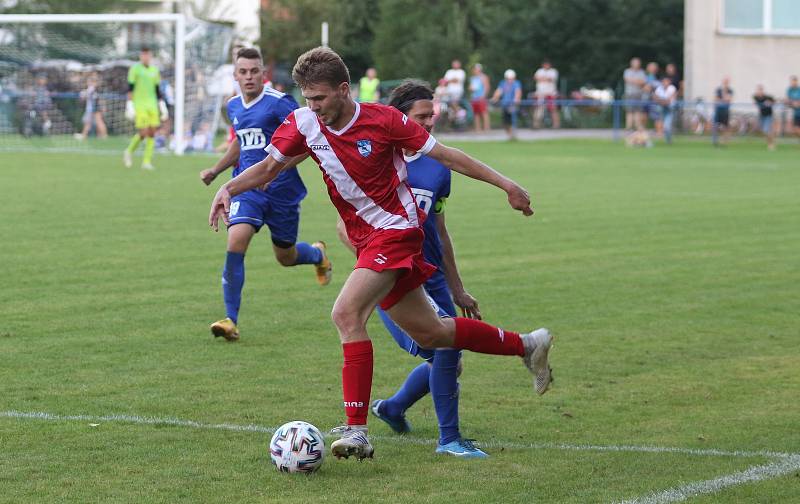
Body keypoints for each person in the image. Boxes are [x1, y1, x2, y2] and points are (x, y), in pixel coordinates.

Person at [208, 47, 554, 461]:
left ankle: (357, 430)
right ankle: (527, 345)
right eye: (306, 99)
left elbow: (448, 155)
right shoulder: (304, 122)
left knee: (346, 313)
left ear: (343, 89)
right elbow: (267, 167)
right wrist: (228, 187)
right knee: (433, 333)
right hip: (367, 238)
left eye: (319, 98)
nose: (312, 107)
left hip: (397, 231)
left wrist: (508, 185)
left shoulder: (385, 121)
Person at [334, 79, 487, 458]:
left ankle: (393, 407)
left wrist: (457, 288)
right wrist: (378, 265)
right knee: (446, 351)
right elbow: (343, 226)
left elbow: (440, 230)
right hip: (395, 275)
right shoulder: (377, 159)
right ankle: (449, 440)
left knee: (450, 358)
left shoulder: (437, 167)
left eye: (431, 116)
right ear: (398, 118)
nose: (429, 123)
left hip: (432, 278)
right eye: (421, 117)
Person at [199, 48, 332, 342]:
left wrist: (277, 171)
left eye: (254, 71)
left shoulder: (279, 104)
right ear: (235, 76)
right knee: (236, 240)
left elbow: (309, 140)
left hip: (283, 192)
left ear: (263, 74)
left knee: (286, 256)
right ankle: (230, 320)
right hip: (247, 188)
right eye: (243, 72)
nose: (248, 77)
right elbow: (240, 143)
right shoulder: (234, 106)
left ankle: (317, 254)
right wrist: (217, 170)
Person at [123, 48, 168, 170]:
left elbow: (157, 91)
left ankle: (146, 162)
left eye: (148, 55)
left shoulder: (155, 70)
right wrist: (129, 104)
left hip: (152, 104)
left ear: (150, 56)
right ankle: (128, 151)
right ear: (140, 56)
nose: (146, 57)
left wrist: (162, 106)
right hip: (139, 104)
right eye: (143, 55)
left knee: (152, 133)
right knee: (143, 133)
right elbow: (130, 88)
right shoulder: (135, 69)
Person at [491, 69, 522, 140]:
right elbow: (499, 91)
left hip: (512, 105)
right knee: (505, 122)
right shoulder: (503, 83)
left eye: (511, 78)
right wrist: (494, 98)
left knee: (512, 120)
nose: (510, 80)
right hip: (505, 105)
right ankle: (510, 135)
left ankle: (512, 135)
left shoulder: (516, 83)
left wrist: (516, 99)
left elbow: (518, 92)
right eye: (508, 78)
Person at [75, 74, 108, 141]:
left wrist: (83, 94)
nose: (88, 83)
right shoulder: (93, 89)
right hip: (93, 108)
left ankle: (85, 136)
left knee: (94, 122)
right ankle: (102, 135)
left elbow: (86, 95)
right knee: (92, 122)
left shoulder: (92, 88)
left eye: (89, 81)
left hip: (93, 108)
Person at [533, 59, 560, 129]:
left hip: (550, 93)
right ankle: (536, 125)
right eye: (545, 64)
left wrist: (542, 78)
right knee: (539, 108)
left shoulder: (553, 71)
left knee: (553, 109)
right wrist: (545, 78)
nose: (546, 66)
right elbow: (536, 78)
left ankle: (556, 124)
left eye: (547, 64)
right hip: (541, 93)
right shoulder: (539, 71)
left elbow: (551, 79)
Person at [623, 58, 646, 131]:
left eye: (638, 63)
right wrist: (637, 81)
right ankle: (629, 127)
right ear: (631, 64)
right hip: (629, 94)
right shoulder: (627, 71)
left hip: (638, 94)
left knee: (638, 111)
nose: (637, 64)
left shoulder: (641, 72)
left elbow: (643, 82)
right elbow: (627, 80)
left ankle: (637, 127)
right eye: (635, 63)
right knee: (629, 111)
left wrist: (633, 80)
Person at [653, 76, 677, 144]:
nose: (665, 83)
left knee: (667, 127)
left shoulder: (672, 88)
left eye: (666, 81)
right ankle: (666, 139)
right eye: (664, 81)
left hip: (669, 110)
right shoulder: (659, 88)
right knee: (663, 125)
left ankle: (668, 140)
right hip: (661, 109)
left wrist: (661, 101)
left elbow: (669, 100)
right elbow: (655, 97)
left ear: (669, 82)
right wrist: (663, 101)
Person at [753, 85, 776, 151]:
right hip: (762, 116)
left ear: (763, 91)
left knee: (767, 130)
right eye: (758, 90)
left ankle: (771, 144)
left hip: (768, 115)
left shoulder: (768, 97)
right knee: (764, 131)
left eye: (761, 90)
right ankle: (771, 142)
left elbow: (774, 101)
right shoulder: (756, 97)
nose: (759, 92)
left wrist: (770, 103)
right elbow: (755, 101)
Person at [712, 77, 733, 147]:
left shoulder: (730, 90)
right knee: (716, 126)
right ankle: (715, 141)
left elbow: (728, 100)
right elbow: (716, 99)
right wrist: (723, 99)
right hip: (718, 110)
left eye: (727, 82)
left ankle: (724, 141)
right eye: (724, 82)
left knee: (726, 127)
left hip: (725, 110)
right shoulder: (718, 90)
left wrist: (723, 98)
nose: (725, 83)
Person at [469, 64, 490, 132]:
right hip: (474, 97)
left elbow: (487, 87)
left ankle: (486, 128)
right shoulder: (472, 78)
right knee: (476, 113)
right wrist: (471, 89)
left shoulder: (483, 77)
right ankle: (478, 129)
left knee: (484, 113)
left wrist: (483, 96)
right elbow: (470, 87)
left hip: (481, 97)